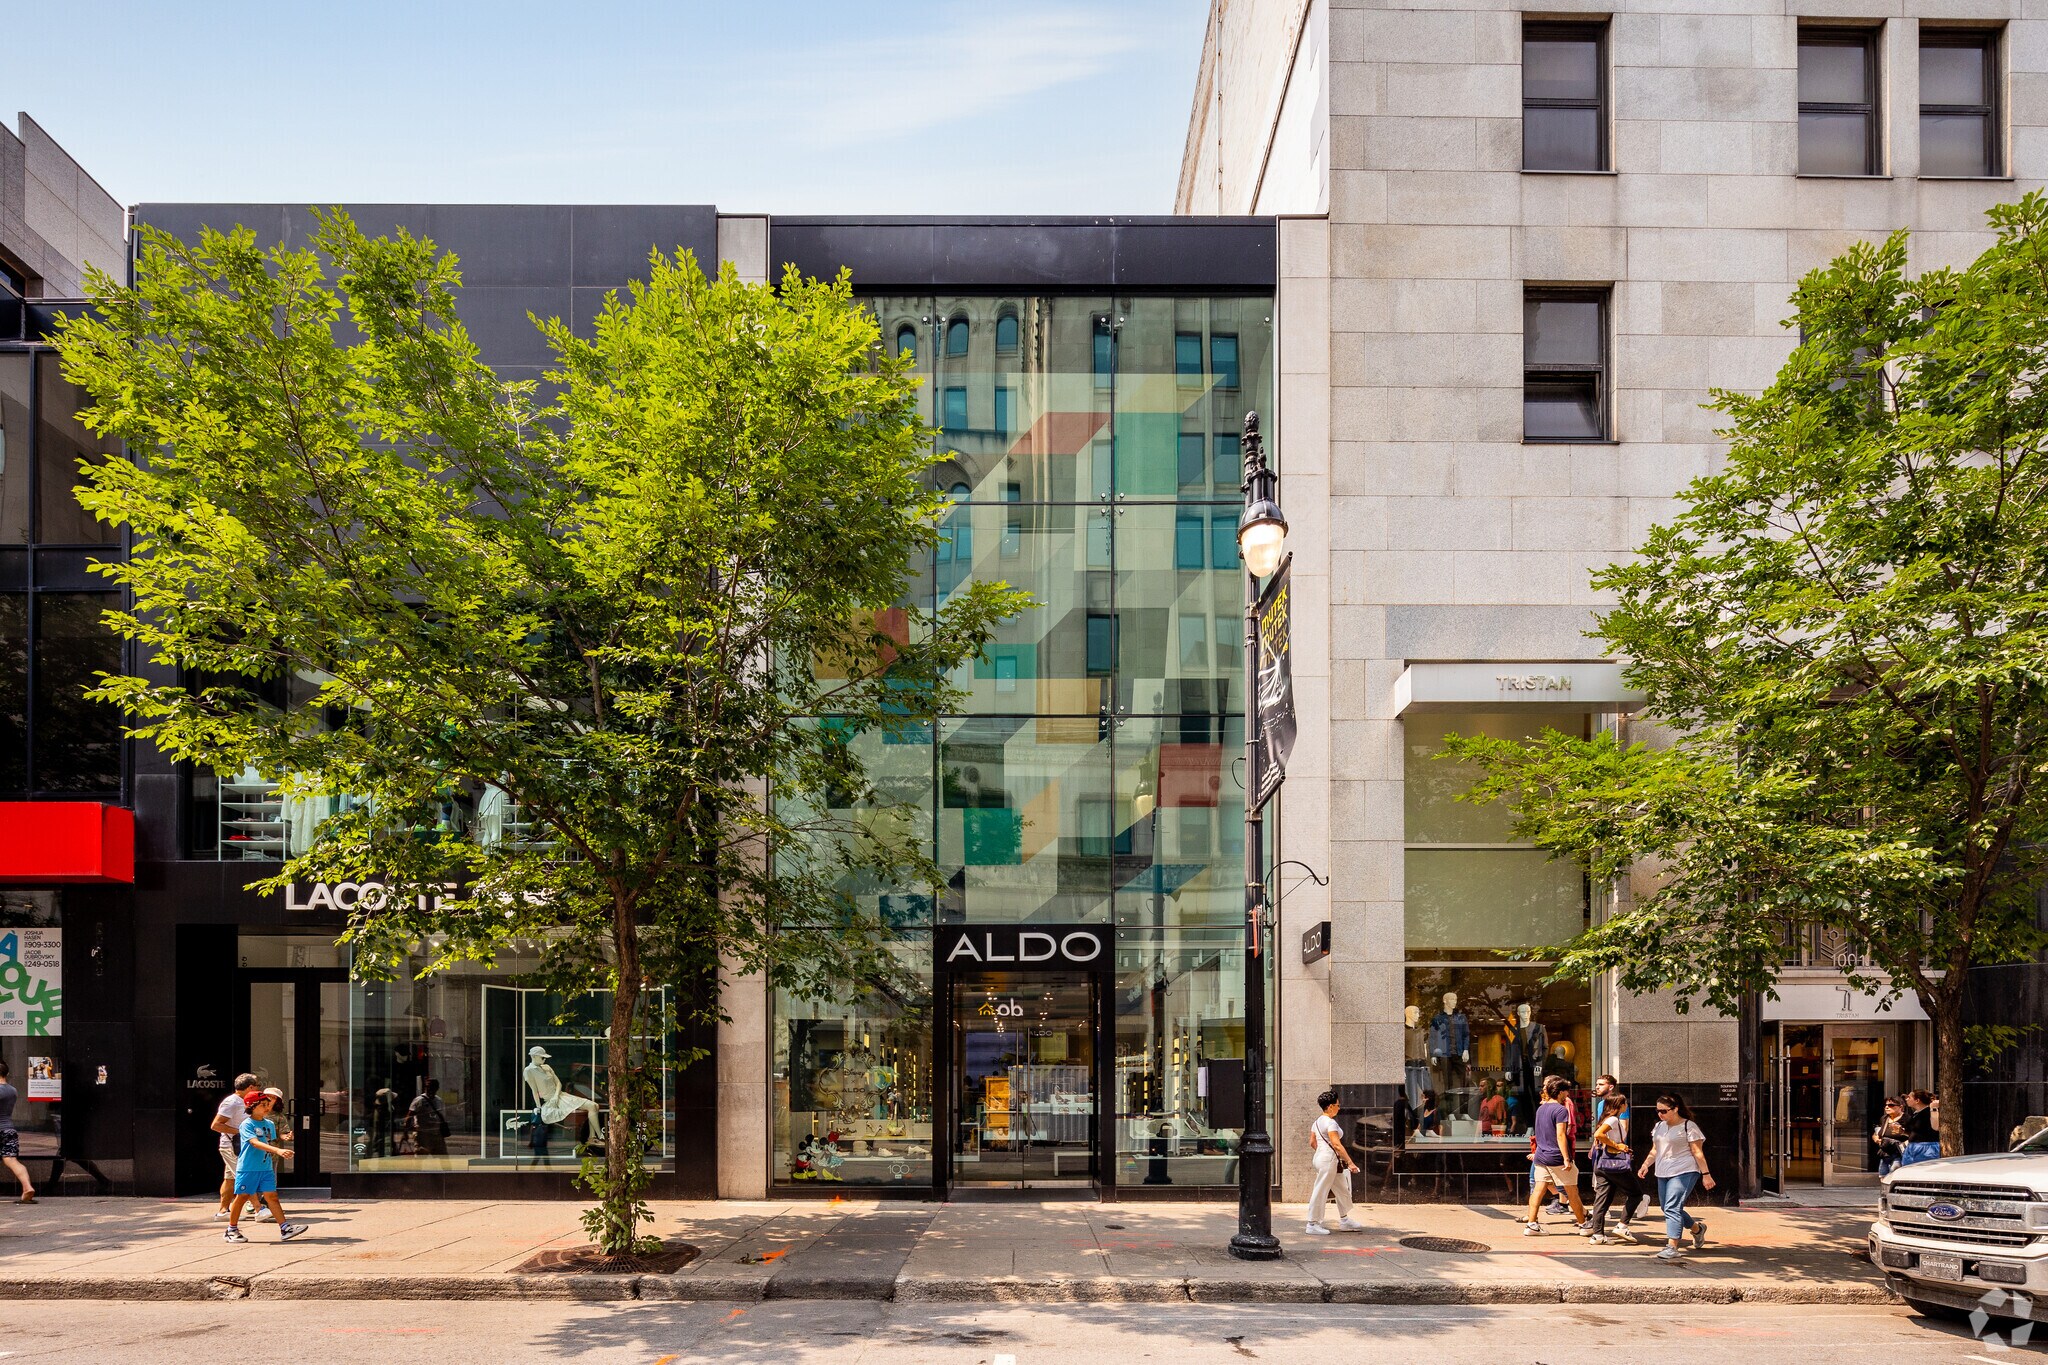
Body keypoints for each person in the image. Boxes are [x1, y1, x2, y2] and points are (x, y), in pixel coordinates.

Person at [224, 1088, 307, 1243]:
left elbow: (270, 1141)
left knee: (272, 1197)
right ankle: (231, 1229)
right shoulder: (246, 1125)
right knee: (241, 1197)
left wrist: (284, 1141)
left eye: (268, 1104)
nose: (267, 1107)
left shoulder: (269, 1124)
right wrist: (278, 1150)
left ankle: (285, 1228)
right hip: (248, 1168)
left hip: (265, 1167)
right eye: (263, 1104)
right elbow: (255, 1143)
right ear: (251, 1107)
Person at [1640, 1093, 1712, 1261]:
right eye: (1657, 1111)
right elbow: (1655, 1150)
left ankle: (1672, 1246)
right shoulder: (1659, 1126)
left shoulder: (1689, 1126)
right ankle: (1697, 1229)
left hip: (1684, 1170)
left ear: (1675, 1109)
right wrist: (1645, 1165)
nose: (1660, 1114)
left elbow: (1697, 1152)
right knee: (1668, 1208)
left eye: (1664, 1111)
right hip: (1663, 1171)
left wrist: (1706, 1175)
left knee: (1672, 1207)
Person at [1523, 1075, 1588, 1235]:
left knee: (1538, 1189)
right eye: (1566, 1091)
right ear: (1559, 1092)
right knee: (1572, 1191)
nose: (1568, 1095)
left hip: (1541, 1156)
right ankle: (1583, 1225)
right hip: (1556, 1156)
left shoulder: (1541, 1108)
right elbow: (1560, 1135)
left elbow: (1539, 1133)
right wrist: (1566, 1158)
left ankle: (1531, 1224)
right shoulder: (1560, 1110)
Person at [1304, 1088, 1365, 1236]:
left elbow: (1312, 1142)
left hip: (1321, 1158)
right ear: (1330, 1106)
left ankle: (1345, 1220)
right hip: (1328, 1159)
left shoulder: (1317, 1122)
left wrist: (1323, 1152)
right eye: (1337, 1105)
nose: (1339, 1107)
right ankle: (1312, 1223)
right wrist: (1350, 1162)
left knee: (1341, 1188)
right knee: (1321, 1190)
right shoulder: (1330, 1123)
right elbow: (1337, 1144)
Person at [1585, 1089, 1643, 1244]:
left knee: (1602, 1199)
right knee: (1636, 1194)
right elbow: (1599, 1135)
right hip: (1613, 1165)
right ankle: (1622, 1226)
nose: (1627, 1106)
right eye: (1625, 1103)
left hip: (1602, 1164)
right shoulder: (1613, 1120)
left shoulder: (1607, 1118)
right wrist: (1617, 1146)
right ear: (1620, 1105)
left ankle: (1597, 1235)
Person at [211, 1073, 266, 1221]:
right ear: (250, 1087)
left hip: (238, 1146)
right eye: (257, 1086)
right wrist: (242, 1132)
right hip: (231, 1146)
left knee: (230, 1179)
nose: (258, 1089)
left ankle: (223, 1212)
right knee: (245, 1176)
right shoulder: (232, 1102)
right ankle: (259, 1209)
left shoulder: (243, 1101)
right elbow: (216, 1125)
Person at [0, 1061, 35, 1204]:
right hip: (8, 1129)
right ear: (7, 1073)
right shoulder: (12, 1090)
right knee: (12, 1160)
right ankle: (27, 1187)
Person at [407, 1078, 450, 1157]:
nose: (429, 1089)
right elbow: (409, 1115)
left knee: (444, 1159)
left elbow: (441, 1115)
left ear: (437, 1088)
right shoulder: (419, 1100)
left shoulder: (439, 1100)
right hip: (423, 1135)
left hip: (437, 1135)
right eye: (427, 1087)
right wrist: (406, 1132)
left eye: (432, 1087)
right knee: (420, 1160)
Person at [1898, 1089, 1941, 1166]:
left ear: (1917, 1100)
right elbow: (1916, 1133)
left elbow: (1936, 1127)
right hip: (1912, 1147)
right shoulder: (1915, 1114)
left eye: (1909, 1097)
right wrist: (1902, 1132)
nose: (1906, 1099)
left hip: (1927, 1147)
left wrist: (1934, 1108)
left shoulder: (1929, 1111)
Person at [1873, 1097, 1907, 1177]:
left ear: (1901, 1107)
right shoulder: (1884, 1118)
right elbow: (1877, 1133)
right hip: (1885, 1153)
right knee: (1883, 1175)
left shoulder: (1907, 1119)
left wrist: (1902, 1132)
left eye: (1891, 1105)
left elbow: (1912, 1135)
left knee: (1894, 1175)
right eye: (1886, 1105)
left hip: (1899, 1154)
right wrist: (1876, 1138)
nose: (1887, 1107)